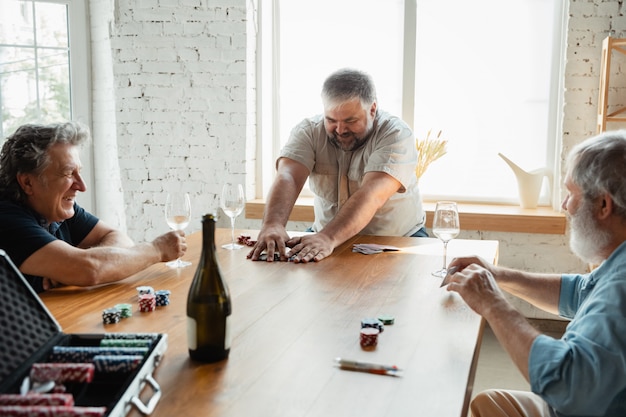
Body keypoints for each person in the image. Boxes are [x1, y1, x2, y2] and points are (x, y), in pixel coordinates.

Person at [446, 130, 626, 417]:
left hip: (575, 403)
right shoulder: (619, 260)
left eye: (571, 194)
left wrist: (492, 303)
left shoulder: (621, 288)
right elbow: (579, 292)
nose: (566, 206)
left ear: (604, 205)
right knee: (488, 402)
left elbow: (567, 386)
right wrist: (497, 275)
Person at [248, 68, 426, 263]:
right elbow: (288, 176)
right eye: (331, 120)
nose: (340, 130)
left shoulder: (396, 134)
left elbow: (371, 194)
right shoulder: (308, 131)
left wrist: (327, 238)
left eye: (351, 120)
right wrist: (273, 224)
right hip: (324, 237)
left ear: (372, 109)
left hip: (397, 240)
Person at [0, 121, 186, 293]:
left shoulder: (57, 208)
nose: (81, 186)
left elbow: (116, 237)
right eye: (67, 173)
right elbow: (91, 270)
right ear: (27, 183)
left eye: (78, 172)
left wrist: (69, 268)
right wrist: (157, 249)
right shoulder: (7, 219)